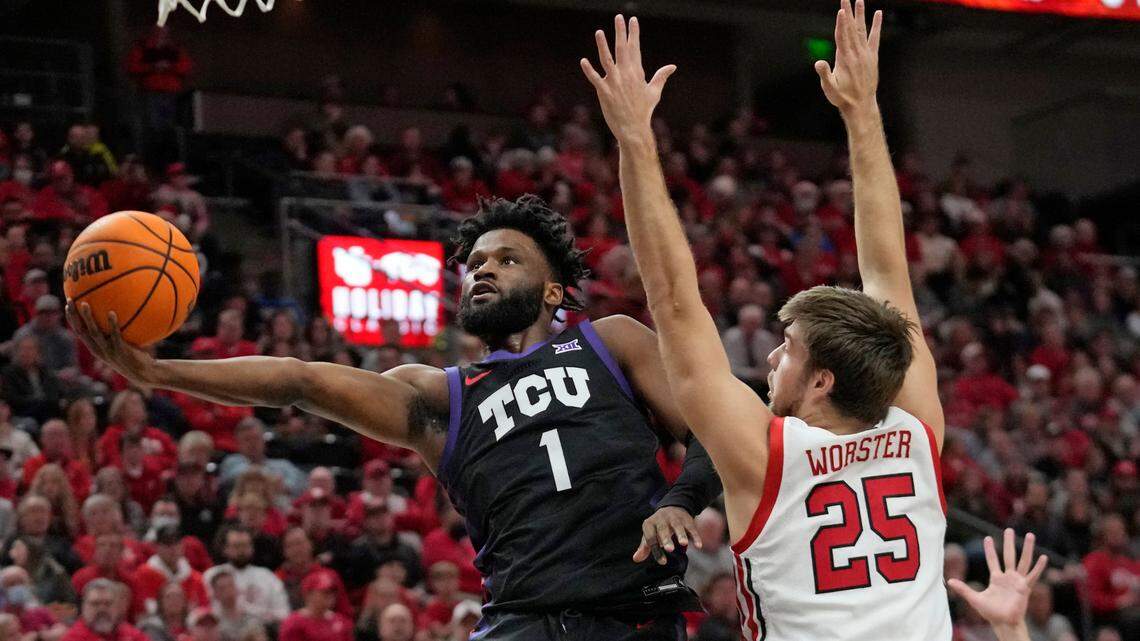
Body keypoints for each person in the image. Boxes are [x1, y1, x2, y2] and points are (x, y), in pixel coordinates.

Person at [69, 195, 726, 639]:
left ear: (554, 289)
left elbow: (711, 433)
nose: (483, 271)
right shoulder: (440, 395)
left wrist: (681, 498)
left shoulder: (609, 341)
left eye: (506, 259)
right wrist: (158, 371)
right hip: (520, 619)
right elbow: (299, 380)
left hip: (628, 612)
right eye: (475, 264)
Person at [582, 5, 946, 639]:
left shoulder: (765, 455)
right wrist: (862, 112)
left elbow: (671, 299)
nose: (773, 359)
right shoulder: (917, 432)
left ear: (824, 380)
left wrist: (636, 139)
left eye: (790, 348)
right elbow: (889, 269)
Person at [201, 527, 290, 626]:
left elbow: (284, 614)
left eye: (245, 545)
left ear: (252, 548)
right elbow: (204, 611)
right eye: (236, 546)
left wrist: (250, 611)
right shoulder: (211, 575)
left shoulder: (267, 577)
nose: (241, 551)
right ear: (225, 549)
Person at [61, 578, 149, 641]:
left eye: (108, 603)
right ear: (84, 608)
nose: (102, 609)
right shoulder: (73, 638)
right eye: (95, 604)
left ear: (118, 607)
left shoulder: (133, 635)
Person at [277, 571, 353, 641]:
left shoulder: (341, 621)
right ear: (309, 594)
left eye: (332, 592)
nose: (330, 595)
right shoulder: (294, 623)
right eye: (325, 592)